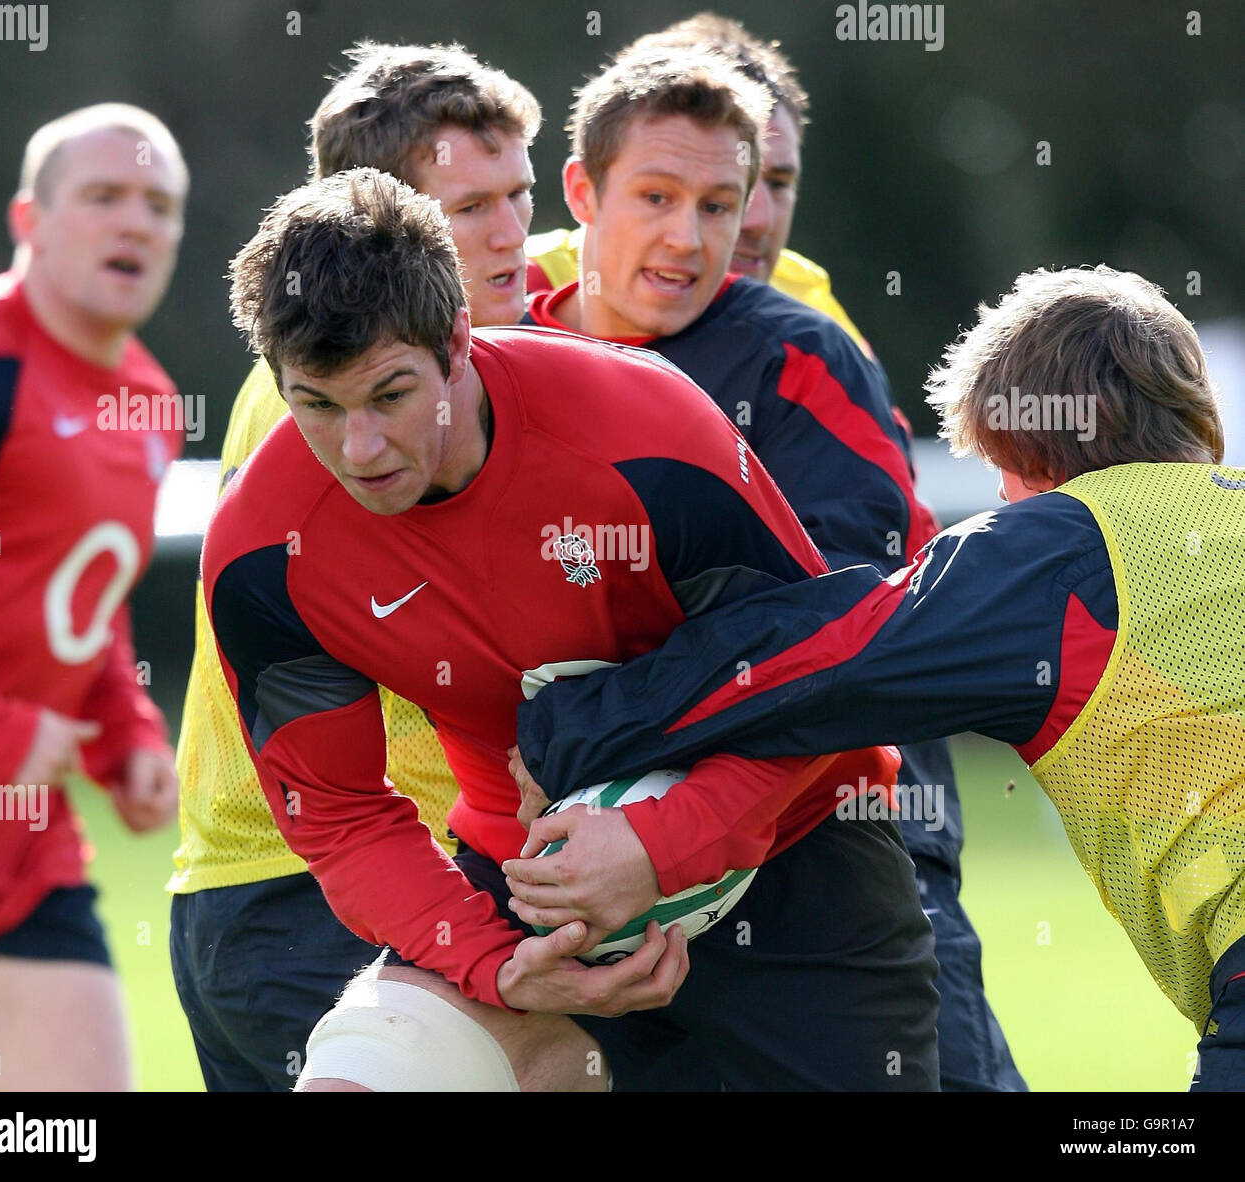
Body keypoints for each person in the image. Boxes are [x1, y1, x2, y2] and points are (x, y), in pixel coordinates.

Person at [205, 166, 940, 1091]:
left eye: (390, 395)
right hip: (531, 892)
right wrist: (494, 962)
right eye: (316, 404)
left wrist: (662, 844)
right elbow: (342, 814)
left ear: (459, 343)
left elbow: (817, 674)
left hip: (798, 845)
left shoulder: (645, 429)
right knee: (355, 1080)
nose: (359, 447)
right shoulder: (261, 552)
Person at [514, 264, 1245, 1091]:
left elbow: (819, 661)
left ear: (1028, 457)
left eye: (996, 469)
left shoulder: (1060, 546)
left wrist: (566, 729)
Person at [521, 44, 1022, 1090]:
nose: (693, 236)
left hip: (819, 861)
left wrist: (607, 744)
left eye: (720, 202)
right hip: (565, 882)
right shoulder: (488, 358)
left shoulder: (802, 356)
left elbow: (848, 637)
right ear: (580, 191)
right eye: (656, 196)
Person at [168, 41, 542, 1091]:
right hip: (323, 893)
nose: (511, 236)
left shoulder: (378, 385)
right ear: (373, 230)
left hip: (261, 899)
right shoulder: (342, 418)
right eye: (467, 210)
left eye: (519, 193)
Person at [0, 103, 186, 1090]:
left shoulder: (152, 404)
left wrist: (123, 729)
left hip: (13, 846)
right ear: (29, 221)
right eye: (105, 197)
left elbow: (87, 596)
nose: (137, 223)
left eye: (160, 206)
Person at [525, 13, 874, 359]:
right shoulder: (517, 280)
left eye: (778, 183)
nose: (757, 220)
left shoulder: (811, 315)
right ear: (584, 191)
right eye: (658, 196)